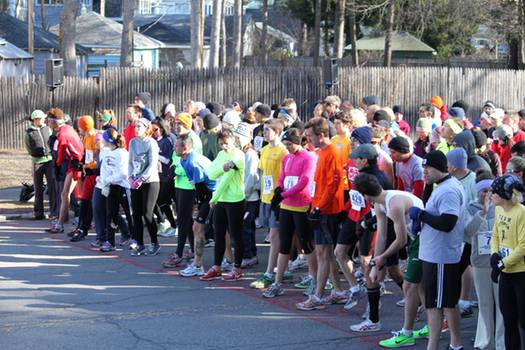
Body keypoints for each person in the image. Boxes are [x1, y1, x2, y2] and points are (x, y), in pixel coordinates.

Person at [352, 173, 425, 346]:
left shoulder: (394, 204)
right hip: (417, 238)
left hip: (423, 239)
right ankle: (437, 321)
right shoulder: (380, 203)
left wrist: (382, 257)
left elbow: (401, 240)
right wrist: (376, 264)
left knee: (410, 286)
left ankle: (407, 334)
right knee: (419, 287)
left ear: (365, 195)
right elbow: (381, 236)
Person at [409, 150, 466, 350]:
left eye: (428, 168)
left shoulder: (448, 190)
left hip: (440, 255)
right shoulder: (440, 186)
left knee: (437, 305)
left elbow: (448, 222)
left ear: (439, 168)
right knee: (445, 303)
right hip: (436, 254)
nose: (424, 171)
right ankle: (454, 344)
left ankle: (436, 346)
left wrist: (422, 216)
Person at [296, 117, 346, 311]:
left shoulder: (332, 152)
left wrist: (319, 207)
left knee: (323, 253)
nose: (308, 140)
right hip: (320, 207)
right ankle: (339, 290)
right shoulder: (323, 152)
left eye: (310, 136)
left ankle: (317, 296)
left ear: (321, 135)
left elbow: (333, 184)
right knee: (326, 253)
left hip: (327, 210)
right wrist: (314, 205)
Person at [262, 128, 316, 298]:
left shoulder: (309, 157)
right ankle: (277, 283)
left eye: (290, 144)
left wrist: (284, 194)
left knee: (306, 245)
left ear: (298, 142)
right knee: (284, 245)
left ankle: (316, 280)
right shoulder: (287, 157)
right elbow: (282, 177)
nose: (288, 147)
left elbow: (305, 181)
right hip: (286, 206)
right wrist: (278, 190)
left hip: (301, 205)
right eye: (286, 144)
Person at [464, 174, 505, 350]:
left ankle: (501, 343)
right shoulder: (470, 208)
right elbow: (467, 232)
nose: (487, 194)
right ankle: (485, 342)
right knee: (485, 303)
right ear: (477, 191)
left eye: (490, 190)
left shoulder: (502, 208)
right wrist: (482, 212)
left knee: (502, 305)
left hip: (500, 262)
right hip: (480, 263)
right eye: (483, 191)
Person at [200, 129, 246, 281]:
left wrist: (214, 198)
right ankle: (217, 266)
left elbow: (227, 178)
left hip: (235, 200)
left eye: (226, 143)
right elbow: (211, 173)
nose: (224, 146)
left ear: (233, 140)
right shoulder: (221, 155)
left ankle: (237, 268)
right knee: (218, 233)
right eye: (221, 144)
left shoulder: (238, 155)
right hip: (221, 200)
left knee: (235, 235)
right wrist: (221, 168)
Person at [250, 119, 288, 289]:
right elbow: (262, 173)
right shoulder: (264, 150)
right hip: (265, 197)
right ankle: (282, 267)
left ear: (277, 132)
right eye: (263, 130)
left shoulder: (283, 151)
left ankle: (270, 272)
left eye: (267, 130)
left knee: (274, 236)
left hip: (277, 198)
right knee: (274, 236)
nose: (264, 133)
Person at [490, 175, 525, 350]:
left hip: (521, 273)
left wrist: (502, 263)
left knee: (523, 321)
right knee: (508, 319)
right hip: (506, 274)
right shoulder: (498, 210)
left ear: (504, 194)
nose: (490, 195)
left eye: (494, 192)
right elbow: (495, 234)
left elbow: (523, 246)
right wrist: (494, 254)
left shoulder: (521, 212)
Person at [174, 134, 217, 277]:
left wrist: (199, 205)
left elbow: (201, 188)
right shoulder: (183, 159)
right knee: (199, 228)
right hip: (206, 193)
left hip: (213, 193)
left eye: (176, 146)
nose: (174, 148)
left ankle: (199, 265)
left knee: (199, 228)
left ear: (185, 148)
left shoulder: (193, 162)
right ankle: (199, 264)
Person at [46, 108, 84, 233]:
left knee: (66, 194)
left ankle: (61, 224)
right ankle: (62, 223)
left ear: (54, 122)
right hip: (74, 163)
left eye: (49, 121)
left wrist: (57, 166)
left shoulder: (63, 134)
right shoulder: (67, 129)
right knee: (68, 195)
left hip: (73, 165)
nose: (48, 124)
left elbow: (61, 155)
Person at [128, 117, 161, 256]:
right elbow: (130, 161)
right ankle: (140, 244)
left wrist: (142, 178)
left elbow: (153, 164)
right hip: (135, 181)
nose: (136, 129)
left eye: (139, 126)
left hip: (150, 181)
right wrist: (130, 178)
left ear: (146, 128)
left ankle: (154, 243)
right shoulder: (132, 142)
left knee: (147, 213)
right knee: (136, 213)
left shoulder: (151, 143)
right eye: (135, 126)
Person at [233, 123, 260, 268]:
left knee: (246, 227)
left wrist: (243, 194)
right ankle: (245, 253)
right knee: (242, 227)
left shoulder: (250, 155)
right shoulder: (240, 153)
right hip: (240, 195)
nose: (236, 140)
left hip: (248, 197)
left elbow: (250, 177)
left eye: (239, 137)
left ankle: (250, 255)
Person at [98, 128, 129, 252]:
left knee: (129, 213)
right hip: (111, 187)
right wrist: (104, 183)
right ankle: (110, 241)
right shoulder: (107, 153)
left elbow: (123, 173)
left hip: (124, 187)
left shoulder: (122, 153)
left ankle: (134, 238)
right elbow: (104, 170)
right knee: (111, 214)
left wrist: (108, 179)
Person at [69, 115, 98, 242]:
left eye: (79, 127)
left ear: (84, 127)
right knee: (85, 200)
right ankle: (81, 228)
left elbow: (97, 157)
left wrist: (89, 166)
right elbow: (87, 156)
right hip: (88, 172)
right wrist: (81, 163)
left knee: (92, 203)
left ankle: (85, 228)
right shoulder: (86, 137)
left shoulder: (95, 138)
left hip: (95, 174)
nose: (78, 130)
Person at [24, 110, 56, 220]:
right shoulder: (29, 132)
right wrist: (35, 155)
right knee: (38, 188)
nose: (43, 120)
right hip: (37, 161)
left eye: (43, 118)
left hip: (49, 160)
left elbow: (52, 141)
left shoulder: (48, 129)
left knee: (52, 186)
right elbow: (28, 147)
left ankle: (54, 212)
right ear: (35, 120)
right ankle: (39, 213)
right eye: (41, 118)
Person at [151, 118, 177, 237]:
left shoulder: (166, 141)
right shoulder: (154, 141)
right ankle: (167, 223)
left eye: (155, 129)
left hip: (167, 176)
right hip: (158, 176)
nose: (154, 132)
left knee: (162, 202)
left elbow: (167, 160)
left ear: (162, 129)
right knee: (160, 203)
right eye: (151, 130)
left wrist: (155, 155)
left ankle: (172, 225)